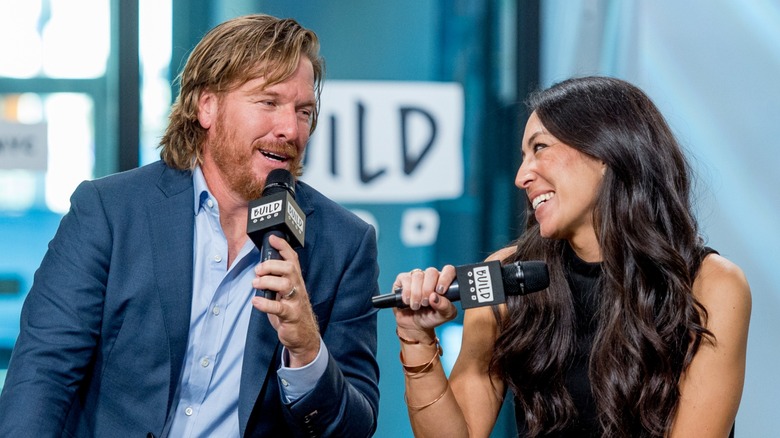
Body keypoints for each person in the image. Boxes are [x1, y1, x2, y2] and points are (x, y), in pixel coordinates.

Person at [0, 14, 380, 437]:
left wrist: (307, 350)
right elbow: (42, 375)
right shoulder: (110, 212)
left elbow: (354, 428)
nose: (290, 128)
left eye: (303, 111)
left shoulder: (344, 244)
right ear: (206, 106)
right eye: (268, 102)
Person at [391, 76, 751, 437]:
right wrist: (416, 338)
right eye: (522, 157)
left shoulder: (712, 285)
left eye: (540, 148)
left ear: (606, 154)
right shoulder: (503, 277)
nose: (521, 176)